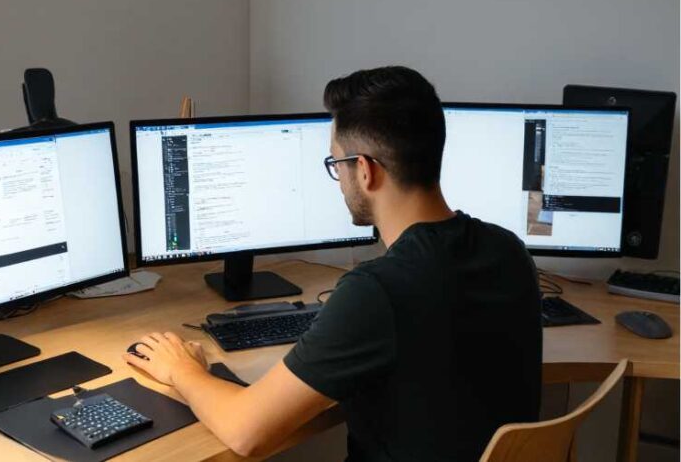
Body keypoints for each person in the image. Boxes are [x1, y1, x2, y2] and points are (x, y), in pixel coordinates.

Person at [123, 66, 542, 461]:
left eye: (335, 163)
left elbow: (246, 432)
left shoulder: (378, 290)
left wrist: (182, 369)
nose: (337, 178)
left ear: (364, 171)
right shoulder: (508, 251)